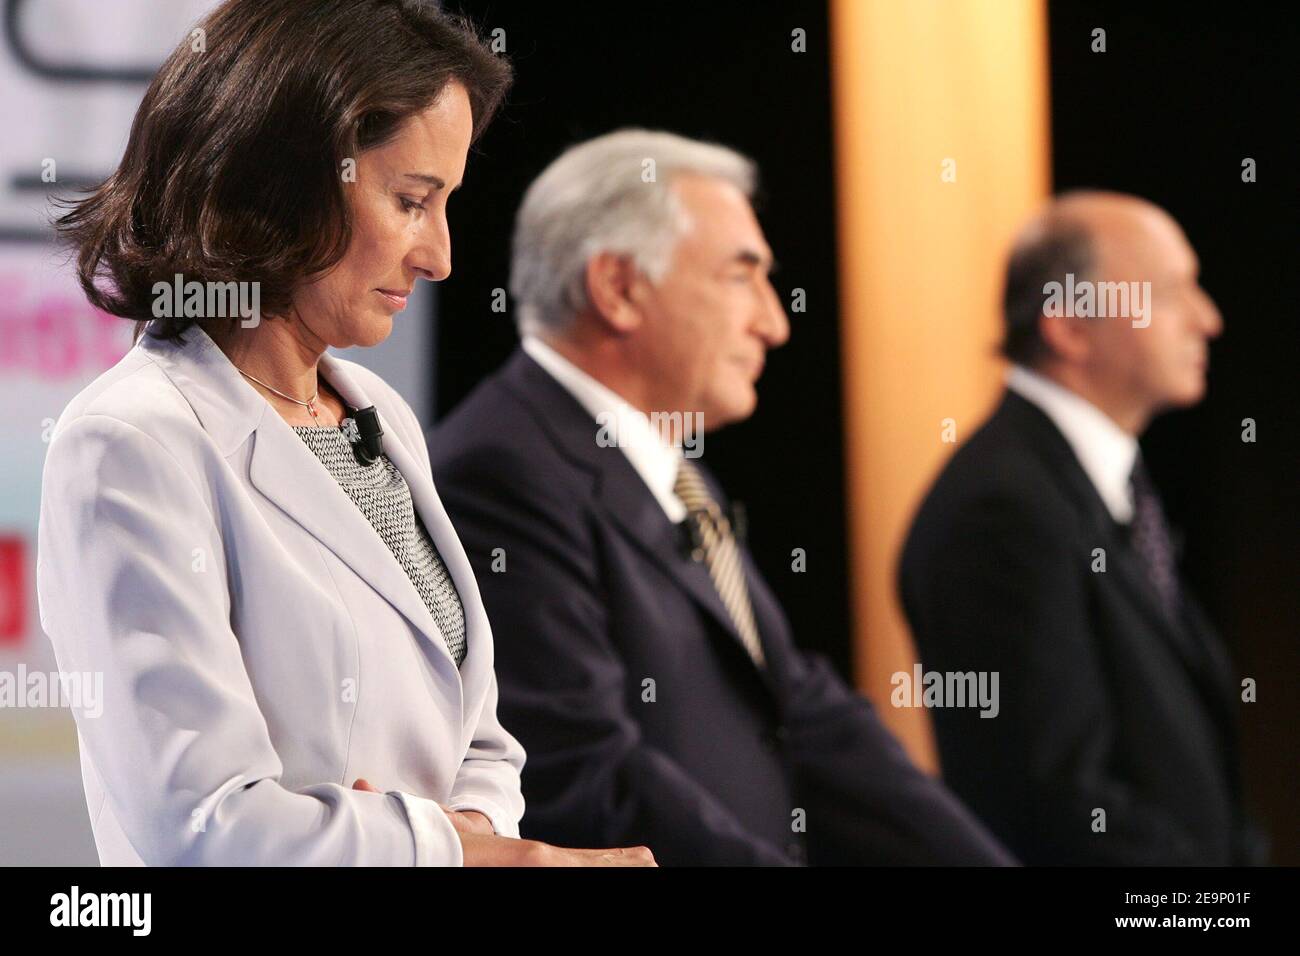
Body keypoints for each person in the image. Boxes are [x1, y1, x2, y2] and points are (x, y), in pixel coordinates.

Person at [39, 0, 652, 868]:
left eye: (445, 205)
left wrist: (446, 836)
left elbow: (480, 744)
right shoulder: (130, 443)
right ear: (278, 178)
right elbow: (207, 827)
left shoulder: (378, 416)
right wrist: (488, 857)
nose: (440, 256)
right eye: (412, 201)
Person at [429, 129, 1015, 865]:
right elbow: (583, 774)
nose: (774, 321)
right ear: (619, 288)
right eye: (743, 276)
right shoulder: (501, 473)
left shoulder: (672, 467)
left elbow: (802, 711)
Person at [899, 191, 1266, 865]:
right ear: (1069, 327)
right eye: (1172, 291)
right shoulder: (1002, 510)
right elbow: (1059, 805)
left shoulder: (1096, 485)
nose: (1207, 319)